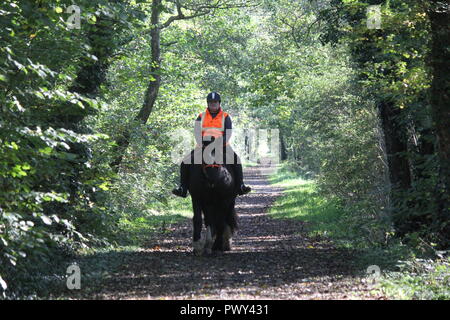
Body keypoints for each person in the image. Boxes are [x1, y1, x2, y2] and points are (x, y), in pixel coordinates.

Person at [172, 92, 252, 198]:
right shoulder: (201, 116)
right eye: (211, 102)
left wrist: (218, 144)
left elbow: (228, 133)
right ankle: (183, 188)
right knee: (185, 162)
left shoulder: (226, 116)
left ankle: (240, 186)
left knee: (236, 160)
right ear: (207, 103)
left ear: (219, 103)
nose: (213, 104)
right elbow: (196, 132)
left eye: (215, 102)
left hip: (222, 145)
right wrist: (203, 144)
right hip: (203, 146)